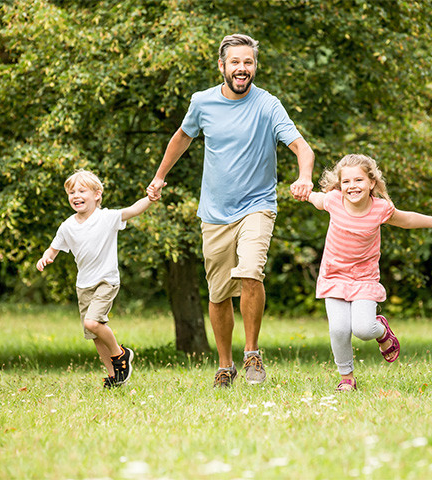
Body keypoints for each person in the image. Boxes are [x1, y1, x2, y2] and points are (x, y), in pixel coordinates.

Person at [146, 34, 314, 387]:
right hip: (215, 213)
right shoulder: (202, 103)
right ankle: (225, 365)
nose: (242, 69)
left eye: (248, 62)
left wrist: (304, 177)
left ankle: (252, 353)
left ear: (255, 67)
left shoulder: (268, 105)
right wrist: (160, 177)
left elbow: (302, 147)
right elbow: (182, 137)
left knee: (251, 271)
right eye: (235, 62)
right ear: (222, 66)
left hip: (258, 206)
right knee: (219, 293)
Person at [301, 154, 432, 392]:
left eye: (359, 180)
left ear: (371, 183)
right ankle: (347, 377)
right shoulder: (333, 200)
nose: (352, 186)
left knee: (364, 329)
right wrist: (303, 191)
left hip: (364, 278)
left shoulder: (380, 209)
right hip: (334, 275)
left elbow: (407, 220)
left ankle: (382, 330)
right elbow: (315, 198)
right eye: (346, 182)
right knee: (339, 329)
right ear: (339, 185)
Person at [37, 169, 157, 388]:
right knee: (94, 333)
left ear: (97, 195)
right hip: (83, 285)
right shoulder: (67, 226)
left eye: (81, 190)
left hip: (106, 280)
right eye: (71, 192)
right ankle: (115, 376)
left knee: (92, 322)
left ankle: (121, 354)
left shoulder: (107, 218)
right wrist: (46, 258)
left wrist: (149, 198)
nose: (75, 195)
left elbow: (132, 210)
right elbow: (53, 248)